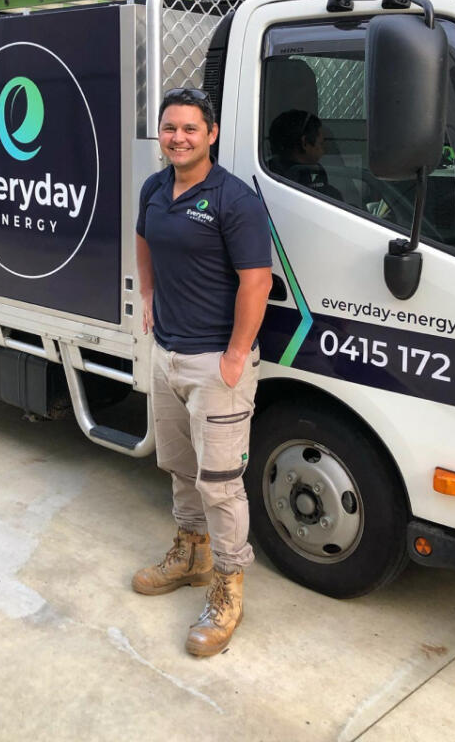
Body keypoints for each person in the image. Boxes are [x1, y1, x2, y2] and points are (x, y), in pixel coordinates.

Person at [134, 86, 273, 658]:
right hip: (167, 353)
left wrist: (237, 354)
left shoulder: (233, 199)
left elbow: (256, 281)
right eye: (170, 128)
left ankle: (228, 587)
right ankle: (191, 555)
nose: (178, 138)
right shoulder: (155, 188)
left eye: (190, 128)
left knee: (221, 485)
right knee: (179, 465)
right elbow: (144, 239)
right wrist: (146, 293)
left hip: (215, 364)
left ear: (210, 134)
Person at [268, 109, 342, 200]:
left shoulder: (270, 174)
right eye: (321, 144)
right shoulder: (289, 181)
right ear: (305, 143)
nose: (325, 151)